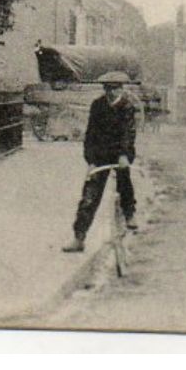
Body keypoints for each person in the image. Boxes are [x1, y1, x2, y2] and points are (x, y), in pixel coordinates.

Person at [62, 71, 138, 253]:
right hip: (100, 156)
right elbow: (90, 134)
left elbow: (129, 133)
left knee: (124, 182)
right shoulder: (97, 105)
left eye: (116, 88)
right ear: (104, 89)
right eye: (109, 88)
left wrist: (124, 155)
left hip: (120, 155)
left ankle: (130, 214)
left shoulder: (127, 107)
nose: (112, 92)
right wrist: (90, 160)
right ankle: (79, 237)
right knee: (89, 196)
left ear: (122, 88)